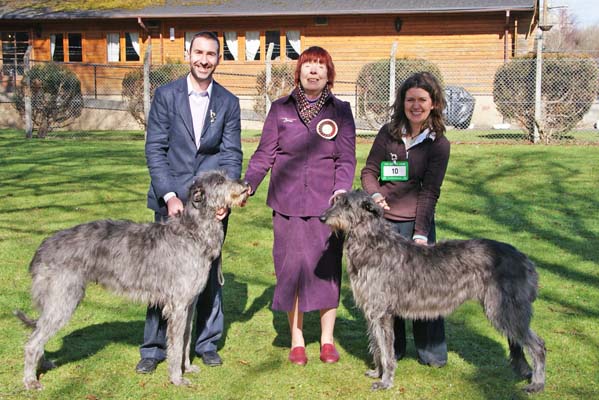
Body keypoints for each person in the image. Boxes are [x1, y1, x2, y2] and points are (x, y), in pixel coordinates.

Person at [136, 31, 242, 373]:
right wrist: (169, 195)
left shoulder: (228, 102)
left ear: (218, 59)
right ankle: (153, 350)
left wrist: (224, 198)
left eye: (211, 54)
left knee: (209, 278)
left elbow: (231, 153)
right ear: (187, 54)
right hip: (170, 202)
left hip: (210, 205)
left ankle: (206, 343)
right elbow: (155, 149)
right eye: (199, 52)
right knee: (160, 278)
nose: (204, 59)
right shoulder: (166, 96)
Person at [244, 46, 356, 366]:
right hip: (287, 203)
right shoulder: (280, 109)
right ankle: (297, 340)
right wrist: (249, 183)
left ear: (328, 73)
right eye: (308, 65)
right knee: (290, 269)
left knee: (327, 270)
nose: (314, 72)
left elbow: (345, 158)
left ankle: (327, 340)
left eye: (320, 66)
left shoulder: (341, 111)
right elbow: (265, 153)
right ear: (299, 71)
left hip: (327, 206)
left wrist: (341, 190)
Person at [360, 71, 450, 367]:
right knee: (387, 290)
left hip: (417, 222)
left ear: (433, 103)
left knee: (426, 288)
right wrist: (374, 196)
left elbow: (430, 192)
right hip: (384, 225)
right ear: (402, 102)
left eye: (422, 100)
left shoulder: (439, 144)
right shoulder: (388, 133)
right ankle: (392, 351)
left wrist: (421, 233)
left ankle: (431, 351)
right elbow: (370, 172)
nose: (415, 105)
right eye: (410, 99)